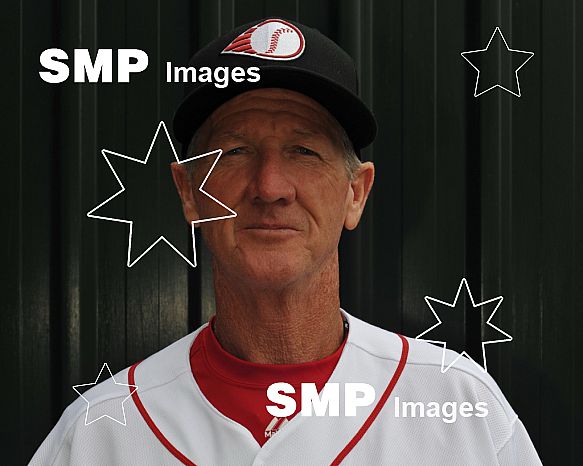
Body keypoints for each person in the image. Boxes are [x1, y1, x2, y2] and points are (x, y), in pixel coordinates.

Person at [29, 18, 541, 465]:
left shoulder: (460, 408)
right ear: (189, 191)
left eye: (304, 150)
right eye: (235, 151)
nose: (270, 187)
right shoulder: (98, 433)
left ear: (355, 194)